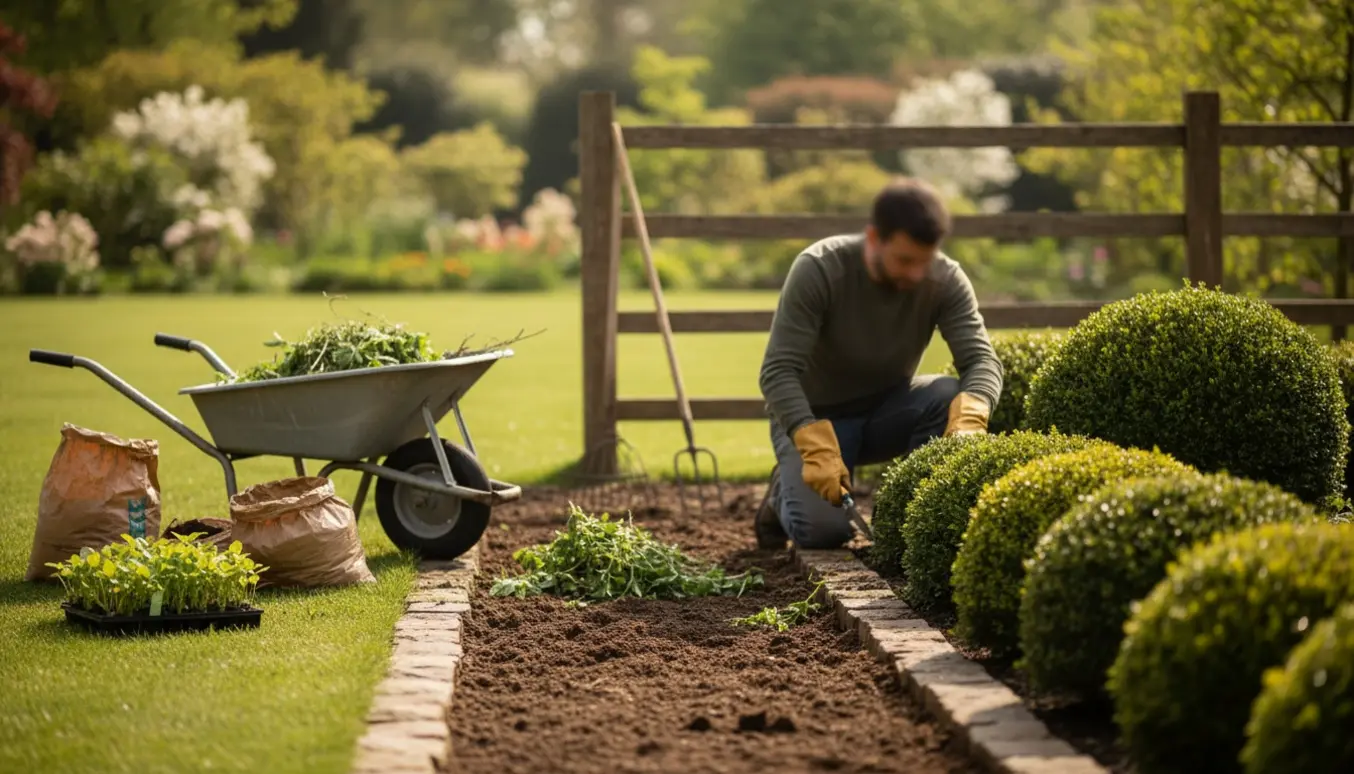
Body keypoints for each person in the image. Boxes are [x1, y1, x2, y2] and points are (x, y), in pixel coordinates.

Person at [755, 177, 1004, 550]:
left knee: (948, 394)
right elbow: (776, 372)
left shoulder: (945, 279)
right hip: (814, 420)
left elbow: (982, 360)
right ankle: (780, 494)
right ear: (874, 238)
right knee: (824, 533)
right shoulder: (820, 269)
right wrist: (812, 443)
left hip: (886, 412)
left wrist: (971, 416)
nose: (916, 274)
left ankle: (908, 515)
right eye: (904, 260)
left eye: (924, 261)